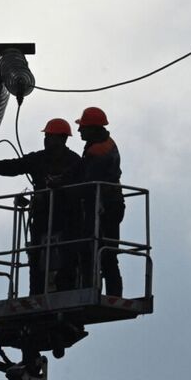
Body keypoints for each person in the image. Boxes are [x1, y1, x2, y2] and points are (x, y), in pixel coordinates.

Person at [0, 118, 81, 294]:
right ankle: (37, 292)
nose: (46, 140)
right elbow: (13, 166)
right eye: (46, 136)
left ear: (61, 138)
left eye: (49, 136)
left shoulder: (74, 162)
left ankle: (65, 288)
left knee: (66, 254)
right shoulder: (40, 159)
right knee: (37, 254)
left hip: (66, 216)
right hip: (43, 215)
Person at [74, 106, 125, 296]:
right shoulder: (106, 144)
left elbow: (88, 180)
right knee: (108, 252)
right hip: (112, 202)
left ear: (93, 128)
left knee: (90, 249)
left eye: (83, 127)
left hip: (102, 205)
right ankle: (113, 294)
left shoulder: (97, 151)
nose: (79, 130)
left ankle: (89, 289)